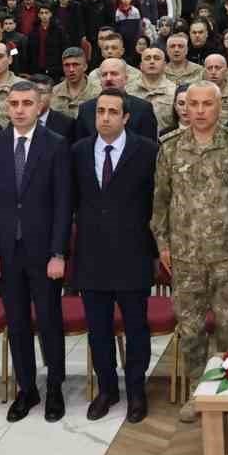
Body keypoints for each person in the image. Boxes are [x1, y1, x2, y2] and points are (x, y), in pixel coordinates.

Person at [151, 80, 228, 424]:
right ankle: (199, 391)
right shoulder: (170, 146)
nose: (198, 111)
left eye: (206, 104)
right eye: (192, 104)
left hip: (227, 256)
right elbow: (160, 202)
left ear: (219, 106)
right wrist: (163, 244)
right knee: (191, 331)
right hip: (184, 257)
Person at [0, 81, 72, 421]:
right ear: (7, 107)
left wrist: (58, 253)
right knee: (16, 323)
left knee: (49, 321)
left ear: (39, 105)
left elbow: (63, 204)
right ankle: (27, 388)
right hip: (6, 252)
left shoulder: (55, 144)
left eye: (27, 103)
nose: (19, 109)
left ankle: (55, 387)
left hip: (44, 252)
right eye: (14, 103)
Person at [70, 89, 159, 423]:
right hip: (92, 256)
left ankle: (136, 390)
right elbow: (71, 201)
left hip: (132, 254)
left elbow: (156, 204)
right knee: (98, 330)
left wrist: (154, 251)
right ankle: (107, 389)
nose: (104, 117)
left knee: (136, 328)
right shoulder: (78, 151)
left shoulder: (147, 151)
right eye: (100, 111)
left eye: (112, 112)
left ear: (126, 117)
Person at [71, 58, 158, 143]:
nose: (108, 78)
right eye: (104, 75)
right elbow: (80, 146)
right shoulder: (86, 109)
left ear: (126, 79)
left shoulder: (143, 109)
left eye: (114, 74)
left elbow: (150, 147)